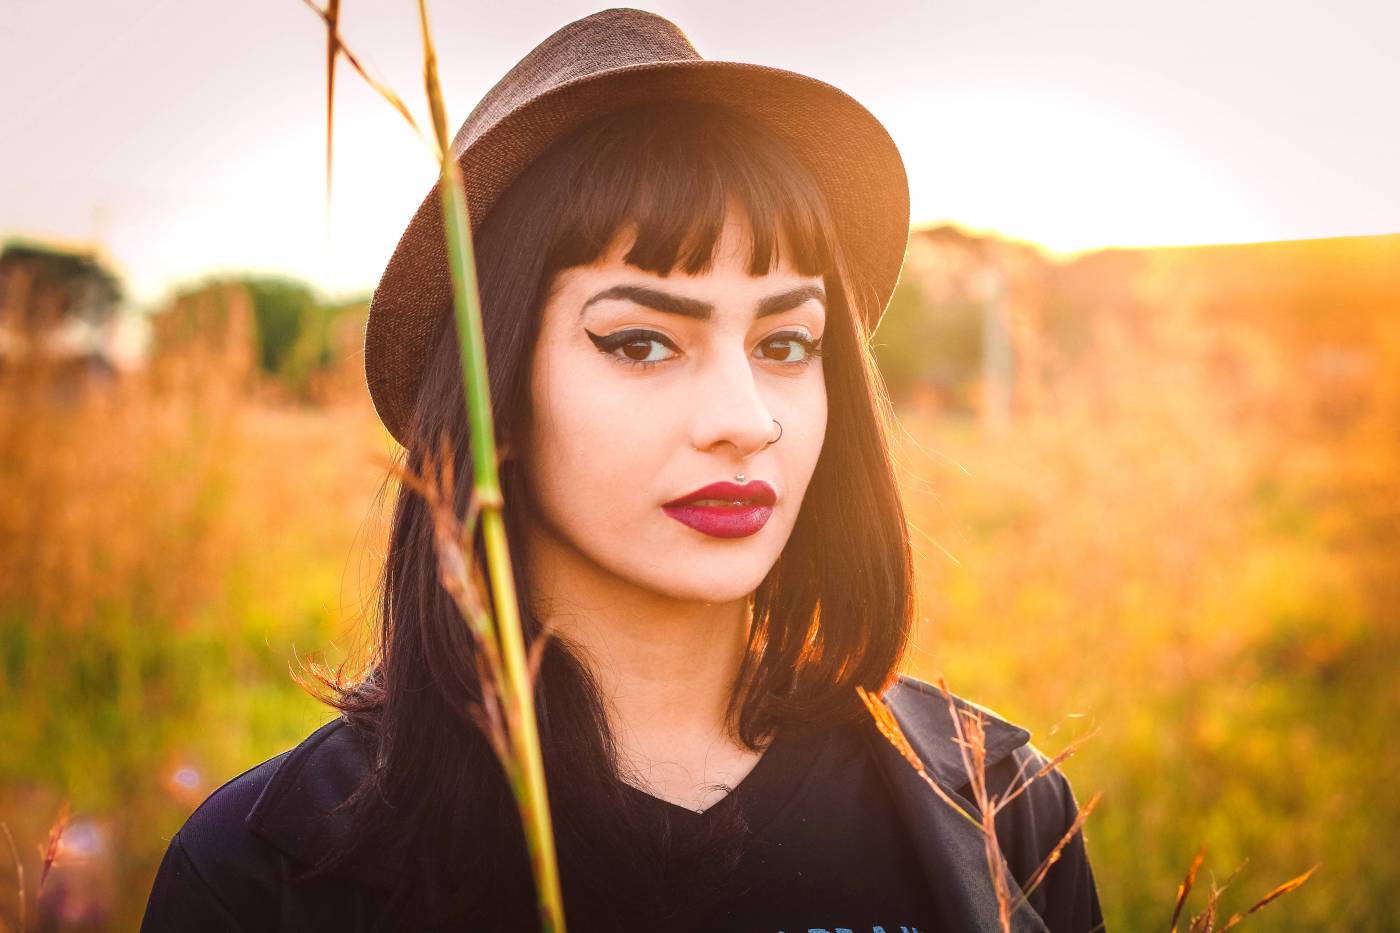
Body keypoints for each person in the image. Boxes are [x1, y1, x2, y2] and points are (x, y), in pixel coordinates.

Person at [140, 8, 1104, 932]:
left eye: (786, 344)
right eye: (641, 342)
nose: (746, 421)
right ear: (493, 384)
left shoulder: (998, 812)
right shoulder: (270, 873)